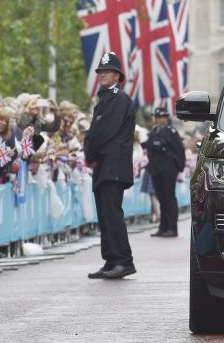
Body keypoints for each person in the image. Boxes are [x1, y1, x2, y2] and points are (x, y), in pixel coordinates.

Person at [84, 52, 138, 279]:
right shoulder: (106, 99)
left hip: (112, 165)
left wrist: (90, 152)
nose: (102, 75)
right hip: (104, 165)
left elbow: (103, 131)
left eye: (106, 71)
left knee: (111, 213)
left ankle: (123, 260)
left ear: (117, 75)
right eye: (100, 71)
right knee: (105, 215)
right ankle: (110, 259)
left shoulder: (118, 99)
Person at [143, 107, 186, 237]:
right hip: (156, 169)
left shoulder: (170, 131)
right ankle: (163, 227)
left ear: (165, 118)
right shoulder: (154, 131)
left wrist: (180, 167)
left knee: (169, 198)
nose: (159, 119)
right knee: (161, 198)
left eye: (161, 117)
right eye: (157, 117)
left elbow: (179, 150)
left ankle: (172, 228)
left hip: (168, 169)